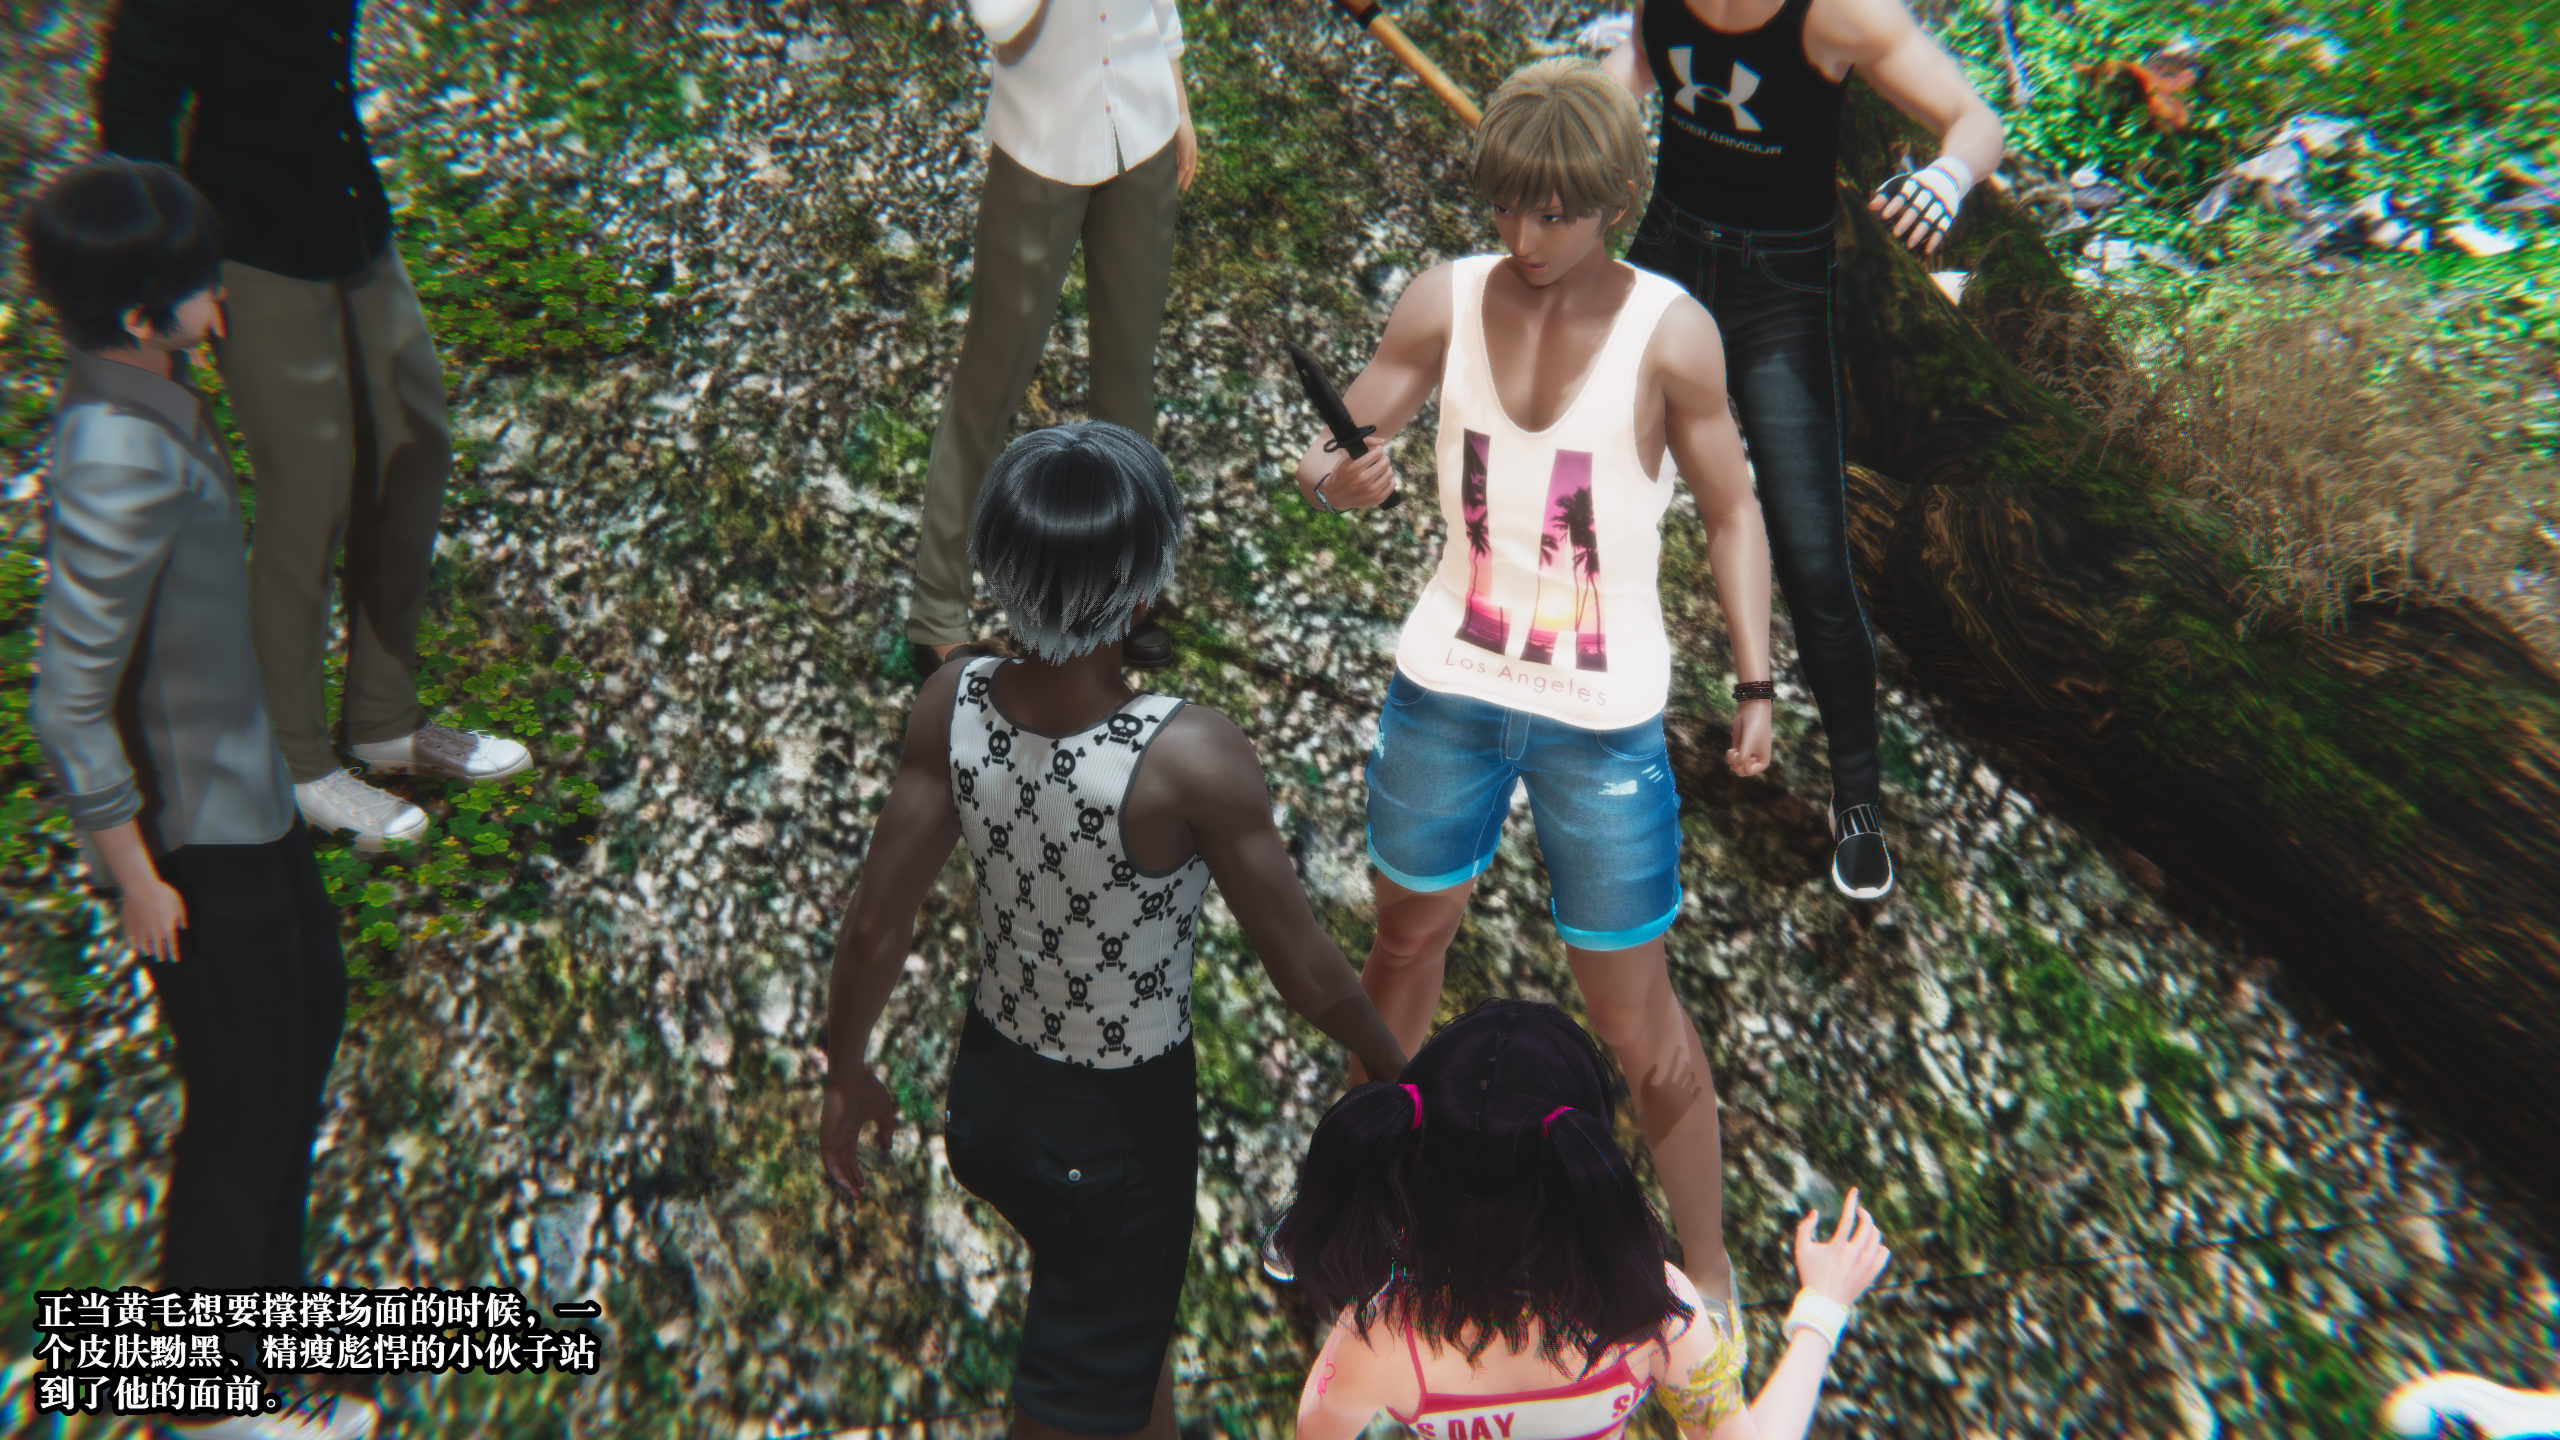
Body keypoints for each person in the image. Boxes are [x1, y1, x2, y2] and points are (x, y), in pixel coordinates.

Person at [822, 421, 1409, 1440]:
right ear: (1142, 591)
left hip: (989, 1102)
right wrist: (1396, 1069)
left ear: (998, 568)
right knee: (1076, 1385)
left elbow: (876, 924)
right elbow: (1304, 967)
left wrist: (845, 1069)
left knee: (1122, 1337)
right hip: (1116, 1139)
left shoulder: (950, 701)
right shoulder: (1188, 754)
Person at [1294, 57, 1769, 1311]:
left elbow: (1732, 510)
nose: (1526, 237)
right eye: (1508, 207)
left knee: (1635, 1016)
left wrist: (1757, 681)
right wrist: (1338, 473)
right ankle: (1347, 1212)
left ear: (1613, 198)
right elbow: (1347, 429)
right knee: (1405, 943)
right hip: (1446, 683)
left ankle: (1708, 1274)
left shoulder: (1671, 333)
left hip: (1600, 721)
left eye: (1554, 213)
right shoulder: (1445, 298)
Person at [22, 158, 376, 1440]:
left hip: (247, 795)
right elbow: (66, 700)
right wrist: (135, 876)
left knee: (300, 1037)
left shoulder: (149, 397)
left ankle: (263, 1338)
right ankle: (199, 1399)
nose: (219, 303)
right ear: (139, 318)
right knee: (243, 1100)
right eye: (200, 289)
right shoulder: (117, 457)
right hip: (197, 840)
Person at [97, 0, 533, 850]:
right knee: (310, 492)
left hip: (352, 221)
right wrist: (173, 268)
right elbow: (133, 106)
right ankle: (295, 763)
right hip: (249, 249)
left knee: (413, 448)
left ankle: (383, 720)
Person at [1604, 0, 2009, 899]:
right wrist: (1585, 116)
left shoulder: (1839, 14)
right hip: (1667, 255)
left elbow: (1978, 119)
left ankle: (1856, 800)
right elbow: (1637, 61)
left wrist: (1948, 177)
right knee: (1591, 480)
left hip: (1777, 292)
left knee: (1816, 561)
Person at [1277, 1000, 1892, 1440]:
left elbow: (1316, 1427)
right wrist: (1822, 1307)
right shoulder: (1657, 1311)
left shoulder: (1375, 1342)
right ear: (1584, 1161)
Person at [905, 0, 1199, 678]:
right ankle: (938, 614)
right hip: (1042, 147)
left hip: (1142, 131)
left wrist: (1179, 99)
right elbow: (1001, 20)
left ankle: (1121, 600)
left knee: (1129, 376)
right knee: (990, 381)